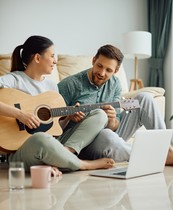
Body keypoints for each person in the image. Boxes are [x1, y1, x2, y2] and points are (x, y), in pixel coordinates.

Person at [0, 36, 116, 173]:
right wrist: (20, 114)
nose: (55, 61)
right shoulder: (15, 80)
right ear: (38, 58)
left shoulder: (52, 87)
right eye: (52, 56)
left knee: (100, 114)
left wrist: (68, 118)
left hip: (53, 144)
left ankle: (64, 155)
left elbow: (53, 129)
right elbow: (43, 137)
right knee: (41, 139)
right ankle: (83, 164)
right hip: (23, 151)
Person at [58, 44, 173, 166]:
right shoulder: (70, 84)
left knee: (145, 98)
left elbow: (114, 126)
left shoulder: (115, 84)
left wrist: (112, 119)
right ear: (93, 60)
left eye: (108, 70)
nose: (102, 73)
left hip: (110, 135)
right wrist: (69, 117)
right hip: (84, 144)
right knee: (107, 135)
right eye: (99, 66)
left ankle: (167, 149)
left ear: (116, 71)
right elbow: (53, 126)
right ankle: (156, 158)